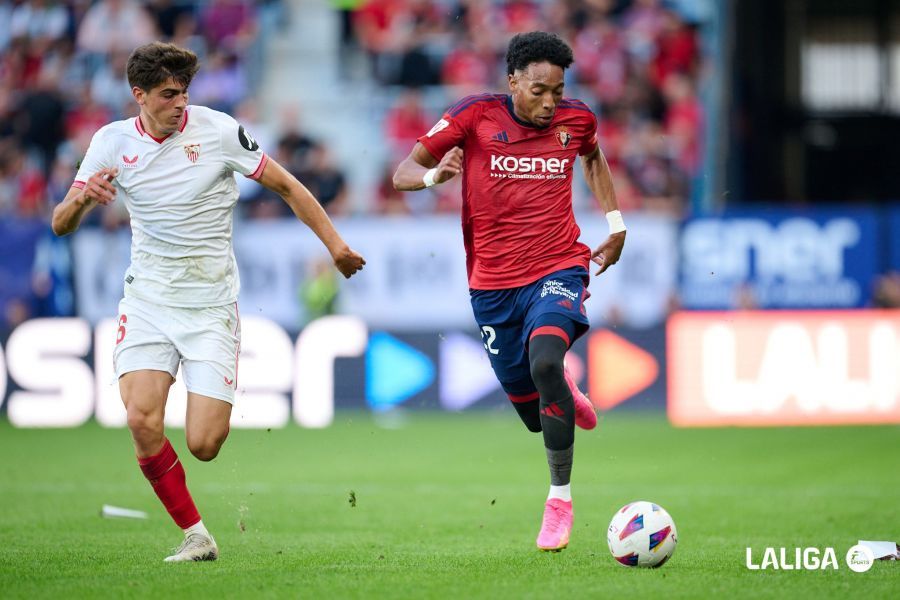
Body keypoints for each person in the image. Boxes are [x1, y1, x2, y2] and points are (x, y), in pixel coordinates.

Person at [51, 42, 366, 562]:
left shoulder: (217, 131)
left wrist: (336, 247)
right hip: (147, 299)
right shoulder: (110, 142)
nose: (180, 103)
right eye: (168, 94)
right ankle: (197, 534)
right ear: (139, 96)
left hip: (210, 305)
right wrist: (83, 199)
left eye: (184, 92)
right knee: (141, 419)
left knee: (204, 444)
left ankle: (204, 451)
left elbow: (288, 186)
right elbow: (60, 223)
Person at [392, 31, 626, 552]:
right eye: (539, 91)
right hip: (493, 287)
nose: (549, 103)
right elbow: (402, 173)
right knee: (532, 413)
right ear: (513, 81)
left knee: (546, 361)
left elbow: (593, 158)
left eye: (558, 92)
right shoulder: (474, 115)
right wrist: (433, 178)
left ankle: (559, 501)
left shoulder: (577, 120)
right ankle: (563, 390)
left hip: (558, 265)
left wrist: (616, 223)